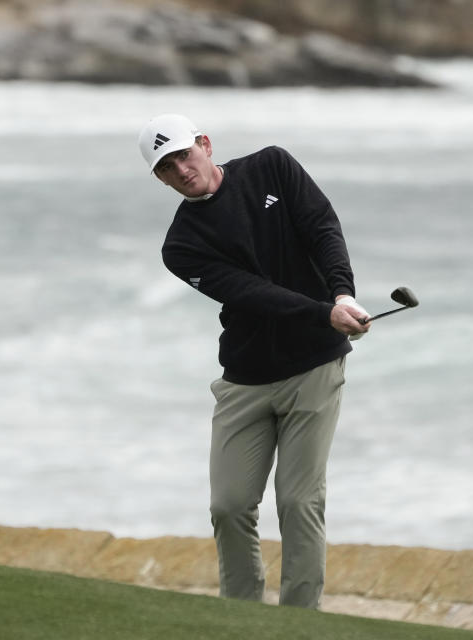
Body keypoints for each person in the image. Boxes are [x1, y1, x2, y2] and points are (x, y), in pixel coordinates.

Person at [137, 113, 370, 609]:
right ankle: (242, 616)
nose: (180, 169)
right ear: (158, 178)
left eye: (183, 154)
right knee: (229, 505)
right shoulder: (181, 246)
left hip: (313, 367)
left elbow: (321, 227)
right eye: (166, 167)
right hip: (245, 380)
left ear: (204, 144)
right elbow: (251, 293)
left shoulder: (272, 167)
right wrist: (323, 312)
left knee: (298, 501)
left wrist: (343, 292)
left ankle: (298, 620)